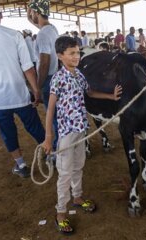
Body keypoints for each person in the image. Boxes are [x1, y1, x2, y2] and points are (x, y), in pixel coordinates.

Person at [41, 36, 122, 234]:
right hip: (67, 135)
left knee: (79, 166)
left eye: (77, 52)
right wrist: (49, 136)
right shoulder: (57, 79)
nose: (76, 56)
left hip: (81, 131)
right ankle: (60, 213)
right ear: (60, 56)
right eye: (71, 53)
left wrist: (111, 96)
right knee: (65, 173)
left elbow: (91, 93)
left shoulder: (79, 74)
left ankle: (77, 198)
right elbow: (50, 109)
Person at [0, 0, 45, 178]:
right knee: (34, 126)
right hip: (18, 93)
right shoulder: (14, 35)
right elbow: (27, 66)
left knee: (7, 132)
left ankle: (21, 166)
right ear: (0, 15)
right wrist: (36, 90)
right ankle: (50, 156)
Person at [27, 0, 59, 152]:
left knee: (53, 118)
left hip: (48, 80)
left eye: (32, 12)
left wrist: (38, 87)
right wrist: (30, 16)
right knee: (58, 116)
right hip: (56, 76)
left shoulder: (42, 35)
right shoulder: (52, 29)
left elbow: (44, 62)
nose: (31, 15)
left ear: (37, 13)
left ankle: (59, 150)